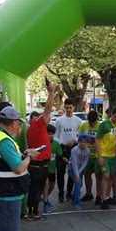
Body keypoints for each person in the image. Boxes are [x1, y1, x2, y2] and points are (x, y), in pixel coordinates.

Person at [25, 82, 55, 221]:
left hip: (37, 164)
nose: (48, 118)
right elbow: (48, 109)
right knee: (36, 189)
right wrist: (51, 92)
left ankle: (32, 211)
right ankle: (33, 213)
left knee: (35, 188)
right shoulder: (37, 125)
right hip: (38, 164)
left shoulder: (32, 129)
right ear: (34, 119)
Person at [95, 106, 116, 210]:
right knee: (105, 176)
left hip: (112, 155)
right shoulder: (104, 125)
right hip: (103, 154)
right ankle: (103, 199)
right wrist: (99, 156)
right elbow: (97, 140)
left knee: (112, 177)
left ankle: (107, 197)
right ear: (112, 115)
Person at [54, 98, 82, 202]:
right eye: (67, 108)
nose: (69, 109)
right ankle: (61, 192)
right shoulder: (59, 120)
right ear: (64, 107)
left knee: (72, 172)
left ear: (74, 107)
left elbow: (80, 135)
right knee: (60, 173)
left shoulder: (78, 121)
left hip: (73, 149)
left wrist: (74, 140)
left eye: (70, 107)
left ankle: (69, 193)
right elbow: (56, 135)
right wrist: (61, 143)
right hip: (61, 148)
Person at [78, 110, 101, 203]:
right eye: (90, 122)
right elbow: (80, 138)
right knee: (87, 175)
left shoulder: (100, 126)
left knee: (98, 176)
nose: (92, 124)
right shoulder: (83, 125)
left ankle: (99, 195)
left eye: (93, 122)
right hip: (87, 154)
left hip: (96, 154)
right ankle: (88, 193)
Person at [67, 134, 90, 211]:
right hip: (72, 169)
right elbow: (74, 163)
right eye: (81, 142)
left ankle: (74, 197)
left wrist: (79, 173)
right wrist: (77, 175)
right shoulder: (74, 150)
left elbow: (85, 163)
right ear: (78, 142)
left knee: (79, 185)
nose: (83, 143)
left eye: (85, 142)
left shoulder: (87, 150)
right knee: (78, 183)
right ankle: (77, 202)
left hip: (80, 169)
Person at [44, 125, 63, 214]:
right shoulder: (42, 143)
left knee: (51, 185)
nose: (50, 135)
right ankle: (45, 203)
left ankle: (45, 197)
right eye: (48, 133)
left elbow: (59, 155)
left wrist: (64, 158)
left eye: (52, 134)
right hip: (43, 169)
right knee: (46, 185)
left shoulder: (56, 144)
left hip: (52, 169)